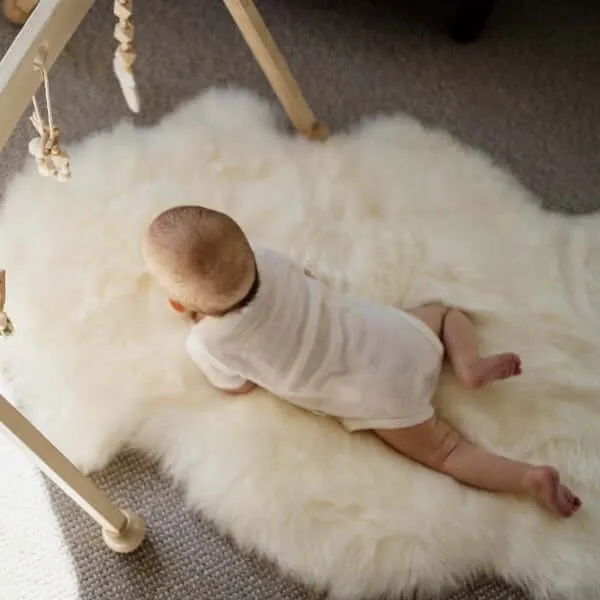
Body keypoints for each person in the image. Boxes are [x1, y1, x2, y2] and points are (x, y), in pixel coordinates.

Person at [143, 204, 581, 518]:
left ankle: (528, 478)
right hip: (396, 339)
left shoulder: (209, 345)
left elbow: (237, 387)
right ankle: (467, 362)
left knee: (448, 451)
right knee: (446, 313)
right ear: (250, 255)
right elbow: (310, 278)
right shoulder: (272, 262)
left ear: (179, 306)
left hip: (376, 398)